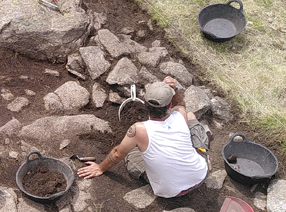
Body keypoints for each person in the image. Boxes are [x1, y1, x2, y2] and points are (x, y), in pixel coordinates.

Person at [77, 76, 211, 198]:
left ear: (145, 103)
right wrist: (174, 90)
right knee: (191, 116)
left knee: (131, 154)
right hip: (200, 175)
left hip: (173, 192)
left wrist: (100, 168)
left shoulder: (138, 129)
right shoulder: (179, 116)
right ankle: (204, 151)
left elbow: (117, 154)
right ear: (169, 105)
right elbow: (181, 105)